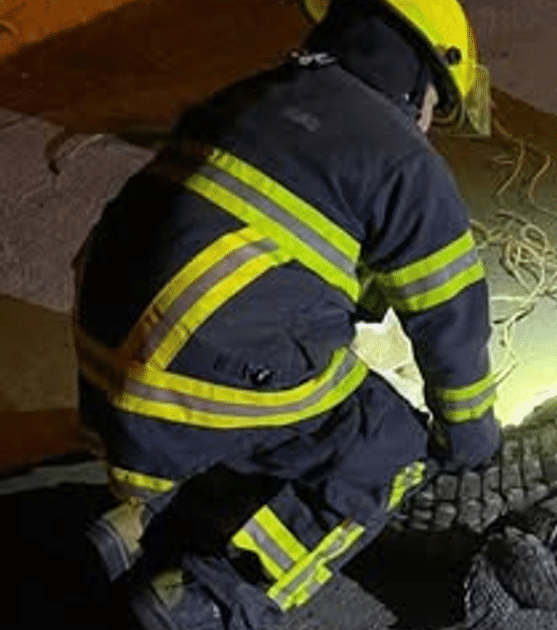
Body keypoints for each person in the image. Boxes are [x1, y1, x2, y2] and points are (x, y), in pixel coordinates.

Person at [72, 0, 500, 628]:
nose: (431, 124)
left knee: (284, 399)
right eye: (438, 104)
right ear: (420, 77)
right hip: (197, 370)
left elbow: (279, 232)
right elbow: (451, 315)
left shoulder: (251, 93)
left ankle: (137, 523)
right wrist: (469, 433)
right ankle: (213, 595)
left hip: (102, 350)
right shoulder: (406, 160)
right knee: (383, 439)